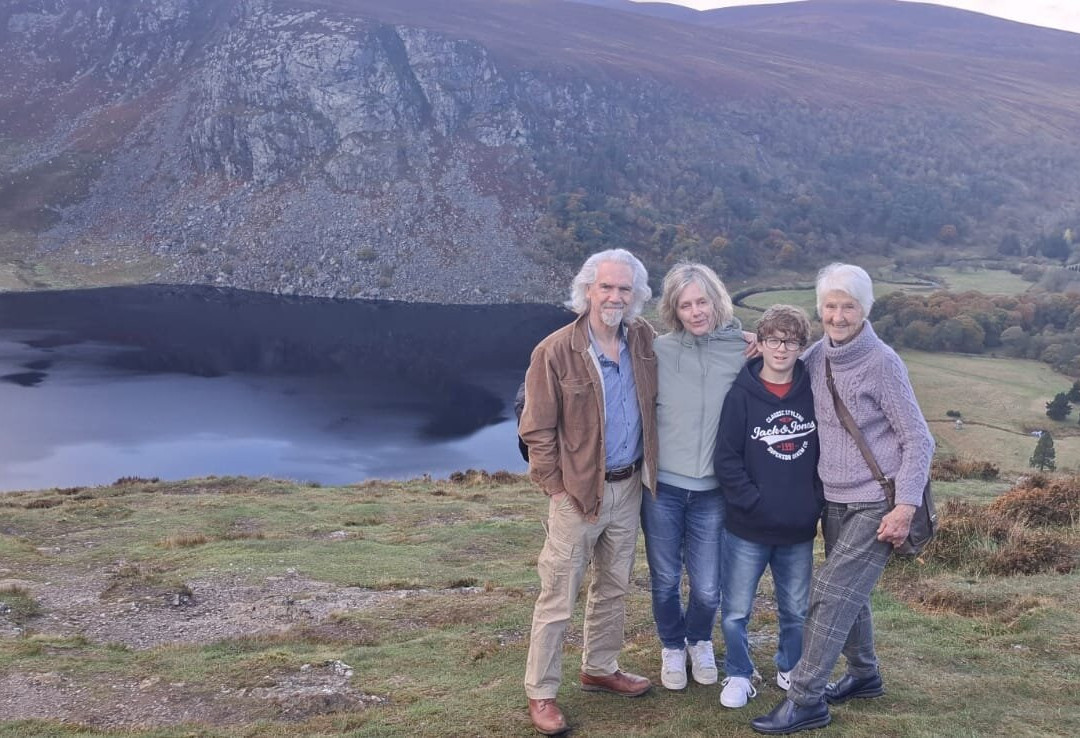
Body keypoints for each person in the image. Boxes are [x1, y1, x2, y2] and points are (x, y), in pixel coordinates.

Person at [751, 264, 935, 735]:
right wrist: (756, 350)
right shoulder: (816, 357)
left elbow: (919, 439)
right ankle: (864, 674)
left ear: (865, 309)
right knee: (851, 596)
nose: (837, 315)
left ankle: (805, 699)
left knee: (829, 596)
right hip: (832, 501)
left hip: (878, 502)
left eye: (847, 306)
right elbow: (780, 365)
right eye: (830, 306)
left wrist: (905, 506)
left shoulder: (883, 363)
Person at [519, 248, 659, 736]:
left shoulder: (643, 339)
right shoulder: (555, 351)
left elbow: (694, 349)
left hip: (629, 487)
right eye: (606, 287)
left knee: (614, 588)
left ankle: (599, 667)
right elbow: (536, 429)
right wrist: (556, 489)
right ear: (587, 291)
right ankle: (541, 692)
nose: (615, 296)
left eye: (625, 289)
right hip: (576, 496)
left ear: (636, 296)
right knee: (558, 596)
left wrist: (746, 339)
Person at [642, 262, 747, 691]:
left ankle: (699, 640)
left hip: (712, 493)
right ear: (673, 310)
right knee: (665, 578)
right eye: (685, 305)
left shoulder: (743, 349)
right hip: (663, 488)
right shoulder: (658, 351)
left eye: (702, 301)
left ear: (717, 300)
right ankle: (671, 645)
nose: (696, 311)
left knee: (707, 587)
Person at [712, 305, 823, 709]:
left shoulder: (813, 393)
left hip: (797, 527)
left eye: (790, 341)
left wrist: (813, 502)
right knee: (736, 610)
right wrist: (752, 503)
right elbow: (726, 459)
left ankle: (790, 667)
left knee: (795, 610)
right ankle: (739, 674)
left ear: (800, 347)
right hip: (747, 528)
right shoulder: (740, 395)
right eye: (773, 340)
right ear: (759, 343)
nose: (781, 349)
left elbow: (824, 454)